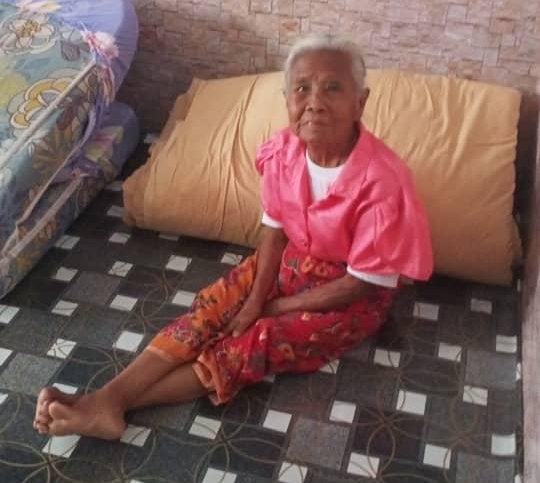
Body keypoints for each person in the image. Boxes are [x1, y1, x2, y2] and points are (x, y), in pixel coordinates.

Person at [33, 34, 433, 439]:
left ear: (360, 102)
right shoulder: (282, 152)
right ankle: (104, 400)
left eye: (332, 88)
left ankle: (106, 404)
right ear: (287, 100)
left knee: (256, 339)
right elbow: (274, 234)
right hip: (289, 264)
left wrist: (274, 309)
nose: (314, 101)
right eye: (302, 88)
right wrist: (256, 299)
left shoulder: (384, 181)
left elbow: (361, 283)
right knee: (214, 307)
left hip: (350, 298)